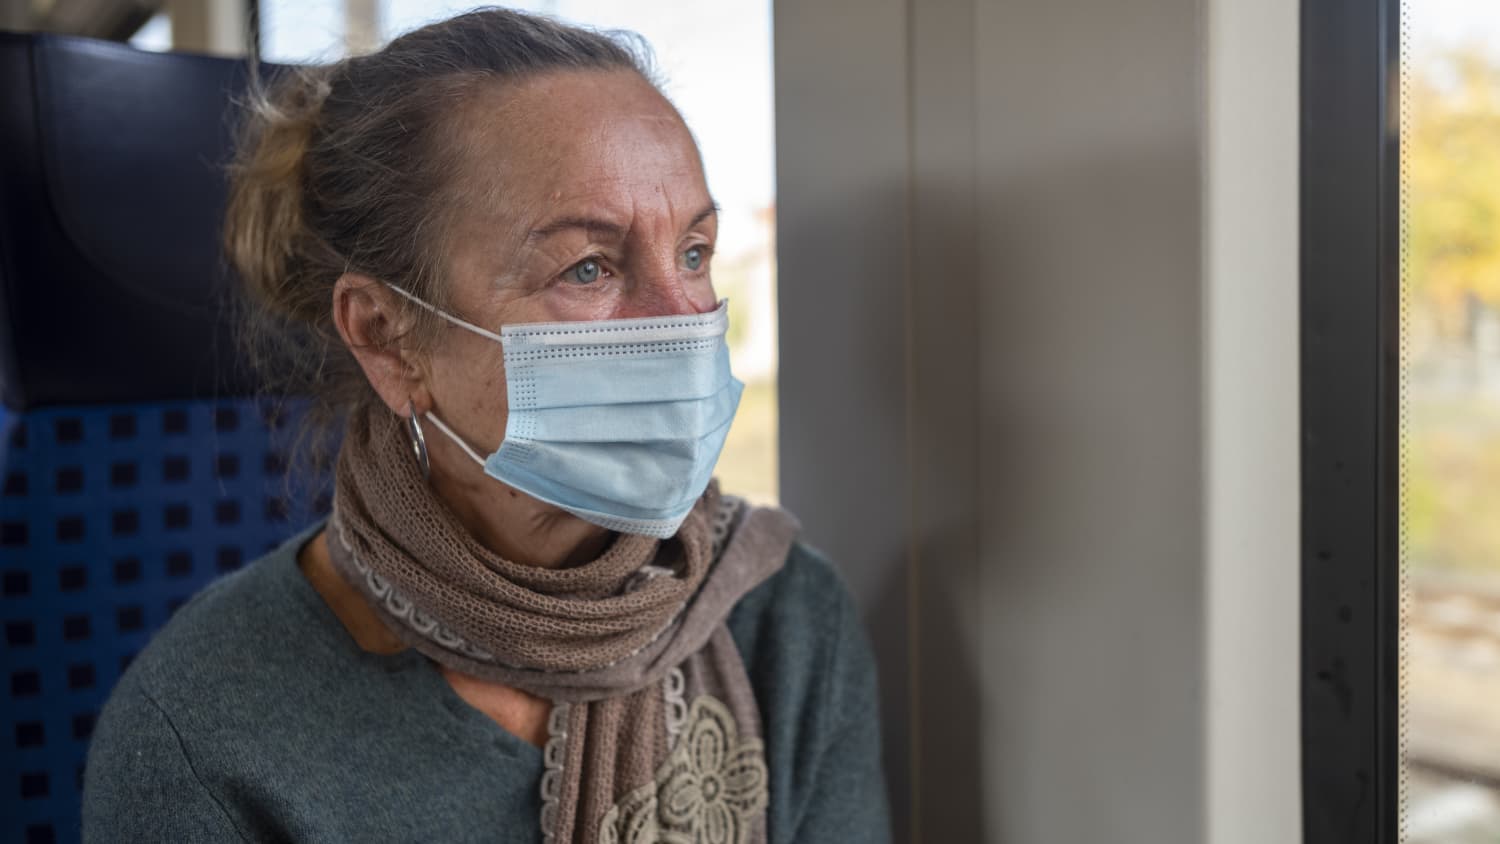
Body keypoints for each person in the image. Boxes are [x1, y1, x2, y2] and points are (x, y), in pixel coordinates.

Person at [80, 8, 889, 843]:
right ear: (388, 338)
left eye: (693, 252)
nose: (683, 321)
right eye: (588, 267)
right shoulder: (201, 736)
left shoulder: (783, 620)